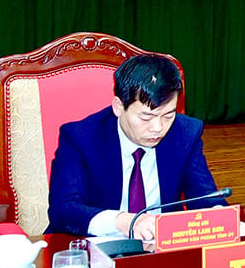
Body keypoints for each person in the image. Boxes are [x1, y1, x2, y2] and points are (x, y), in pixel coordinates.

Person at [47, 54, 226, 239]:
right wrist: (124, 221)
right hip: (94, 248)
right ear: (118, 106)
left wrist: (219, 216)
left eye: (168, 115)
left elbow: (205, 197)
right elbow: (63, 209)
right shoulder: (81, 138)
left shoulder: (185, 133)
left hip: (160, 251)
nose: (158, 128)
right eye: (145, 118)